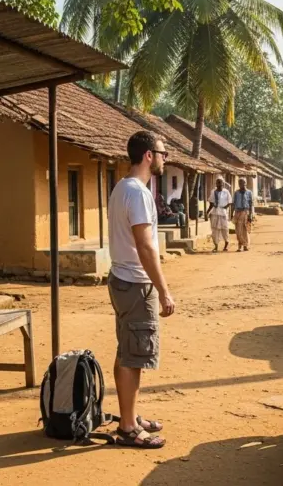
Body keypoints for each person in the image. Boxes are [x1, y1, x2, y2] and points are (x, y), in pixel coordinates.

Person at [107, 131, 175, 449]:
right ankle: (128, 427)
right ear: (149, 155)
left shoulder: (123, 188)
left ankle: (130, 417)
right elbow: (145, 245)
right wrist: (163, 290)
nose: (165, 158)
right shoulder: (137, 193)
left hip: (123, 279)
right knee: (134, 355)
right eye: (163, 153)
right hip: (135, 283)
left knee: (128, 350)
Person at [206, 178, 233, 252]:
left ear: (223, 184)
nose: (219, 184)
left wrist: (225, 207)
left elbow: (230, 201)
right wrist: (207, 212)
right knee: (214, 230)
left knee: (225, 229)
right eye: (218, 183)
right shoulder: (213, 191)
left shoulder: (226, 192)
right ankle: (216, 246)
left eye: (220, 183)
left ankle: (226, 244)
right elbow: (211, 203)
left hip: (223, 213)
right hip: (215, 212)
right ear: (216, 184)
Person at [232, 179, 254, 252]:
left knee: (245, 230)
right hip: (238, 212)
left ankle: (245, 246)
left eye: (244, 183)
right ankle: (240, 245)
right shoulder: (236, 193)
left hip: (245, 212)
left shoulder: (249, 192)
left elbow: (251, 204)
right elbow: (233, 204)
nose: (242, 185)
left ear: (246, 183)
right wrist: (231, 214)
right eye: (240, 183)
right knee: (238, 230)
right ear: (239, 184)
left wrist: (250, 215)